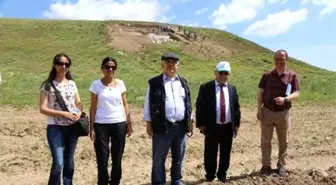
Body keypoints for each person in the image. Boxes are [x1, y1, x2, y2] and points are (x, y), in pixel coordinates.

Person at [143, 52, 193, 185]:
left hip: (181, 126)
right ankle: (159, 182)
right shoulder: (154, 83)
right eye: (168, 63)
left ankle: (177, 180)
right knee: (159, 158)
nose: (171, 66)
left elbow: (187, 103)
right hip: (162, 126)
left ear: (178, 65)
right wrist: (148, 123)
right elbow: (148, 103)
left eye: (174, 63)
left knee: (179, 157)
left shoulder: (183, 83)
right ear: (162, 65)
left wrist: (190, 120)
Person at [39, 53, 82, 185]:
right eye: (60, 63)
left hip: (72, 127)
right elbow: (42, 108)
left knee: (69, 161)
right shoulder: (47, 85)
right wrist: (64, 114)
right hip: (55, 127)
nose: (64, 66)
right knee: (58, 162)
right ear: (55, 65)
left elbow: (78, 103)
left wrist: (78, 113)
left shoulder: (72, 84)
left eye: (66, 64)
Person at [89, 57, 133, 185]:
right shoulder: (96, 85)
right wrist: (91, 128)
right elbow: (92, 108)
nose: (110, 69)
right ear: (102, 68)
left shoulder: (120, 84)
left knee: (117, 157)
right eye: (107, 67)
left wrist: (129, 123)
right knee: (102, 157)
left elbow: (125, 104)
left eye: (113, 67)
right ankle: (102, 182)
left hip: (118, 123)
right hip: (101, 124)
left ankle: (115, 182)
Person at [257, 49, 300, 177]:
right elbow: (260, 93)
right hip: (267, 111)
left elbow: (297, 92)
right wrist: (259, 110)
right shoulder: (267, 75)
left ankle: (281, 166)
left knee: (283, 141)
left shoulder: (292, 76)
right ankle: (266, 166)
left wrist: (285, 99)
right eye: (276, 59)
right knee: (265, 140)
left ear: (287, 60)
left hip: (283, 113)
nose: (279, 61)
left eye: (281, 59)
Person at [195, 61, 241, 183]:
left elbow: (236, 107)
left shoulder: (232, 88)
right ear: (215, 73)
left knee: (226, 153)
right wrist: (201, 124)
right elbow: (200, 106)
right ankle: (210, 175)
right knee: (210, 152)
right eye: (221, 72)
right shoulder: (206, 87)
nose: (223, 75)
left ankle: (222, 174)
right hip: (212, 126)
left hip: (227, 126)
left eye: (226, 73)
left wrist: (236, 124)